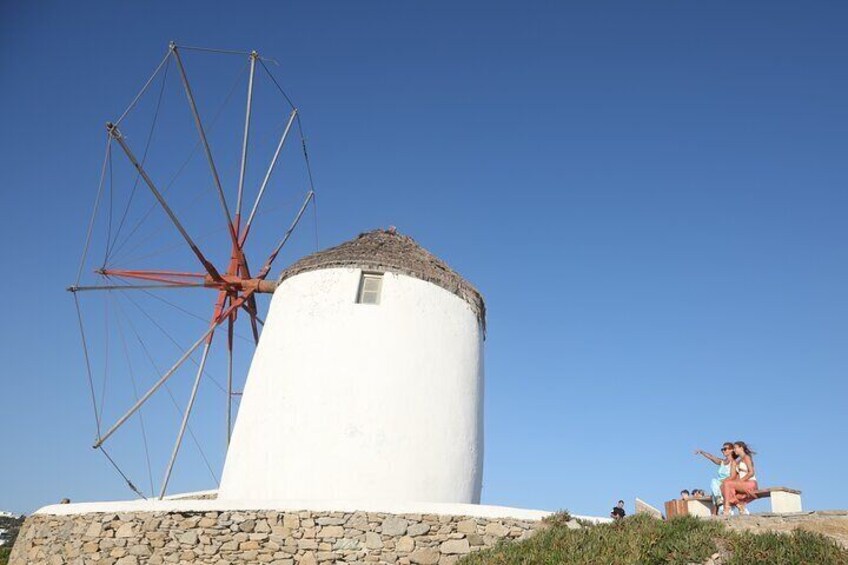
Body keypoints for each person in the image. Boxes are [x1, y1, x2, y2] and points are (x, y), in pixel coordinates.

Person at [695, 443, 737, 515]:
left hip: (726, 484)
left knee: (714, 481)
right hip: (717, 486)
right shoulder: (722, 462)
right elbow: (711, 457)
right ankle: (715, 513)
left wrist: (723, 481)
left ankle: (719, 503)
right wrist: (702, 452)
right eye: (722, 449)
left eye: (725, 449)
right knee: (716, 501)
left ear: (731, 450)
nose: (723, 451)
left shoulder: (733, 462)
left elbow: (733, 476)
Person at [721, 441, 758, 516]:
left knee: (727, 485)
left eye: (735, 448)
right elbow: (733, 476)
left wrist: (741, 481)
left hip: (750, 483)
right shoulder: (737, 461)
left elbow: (751, 472)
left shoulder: (746, 457)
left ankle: (727, 509)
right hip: (743, 484)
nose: (734, 450)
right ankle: (739, 505)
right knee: (723, 486)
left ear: (741, 448)